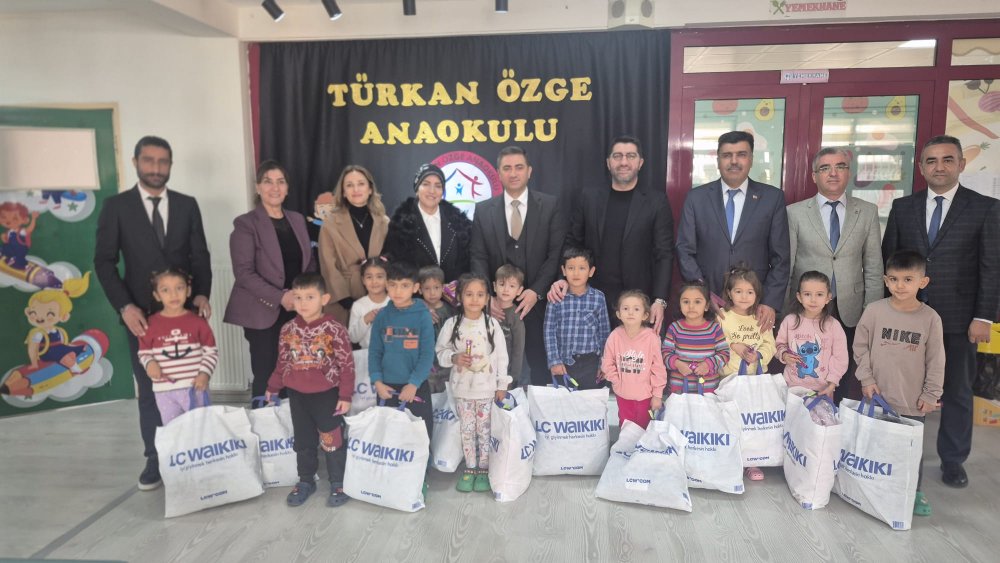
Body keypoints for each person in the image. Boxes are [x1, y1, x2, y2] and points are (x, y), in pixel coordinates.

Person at [94, 135, 211, 491]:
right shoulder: (117, 207)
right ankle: (156, 458)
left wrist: (202, 294)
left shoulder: (187, 205)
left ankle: (197, 453)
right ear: (136, 162)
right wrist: (124, 306)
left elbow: (200, 255)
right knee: (151, 389)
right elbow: (104, 261)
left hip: (186, 316)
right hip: (142, 318)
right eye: (149, 160)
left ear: (170, 165)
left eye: (163, 161)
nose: (156, 168)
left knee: (192, 388)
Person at [882, 135, 1000, 488]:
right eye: (931, 160)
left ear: (961, 164)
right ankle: (904, 454)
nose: (939, 166)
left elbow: (992, 266)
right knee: (906, 388)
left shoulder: (985, 208)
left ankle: (953, 460)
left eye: (948, 159)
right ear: (921, 167)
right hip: (908, 316)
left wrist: (984, 317)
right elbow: (890, 260)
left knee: (957, 391)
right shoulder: (903, 207)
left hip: (960, 318)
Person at [786, 147, 883, 402]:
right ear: (814, 175)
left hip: (849, 307)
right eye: (825, 168)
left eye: (840, 166)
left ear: (848, 173)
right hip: (807, 306)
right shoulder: (794, 212)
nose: (833, 173)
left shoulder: (867, 211)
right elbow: (788, 264)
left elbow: (874, 266)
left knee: (840, 372)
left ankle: (833, 419)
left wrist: (872, 312)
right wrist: (785, 311)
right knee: (804, 370)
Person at [549, 135, 674, 331]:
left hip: (637, 303)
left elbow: (664, 253)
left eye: (630, 156)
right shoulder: (588, 198)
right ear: (608, 163)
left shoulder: (656, 202)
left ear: (640, 163)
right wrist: (562, 277)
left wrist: (660, 300)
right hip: (591, 299)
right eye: (617, 156)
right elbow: (572, 243)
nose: (624, 162)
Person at [853, 250, 945, 516]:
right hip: (877, 395)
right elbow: (860, 347)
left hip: (912, 400)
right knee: (876, 444)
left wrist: (931, 394)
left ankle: (913, 491)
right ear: (885, 280)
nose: (900, 286)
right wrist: (866, 378)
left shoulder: (930, 318)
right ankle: (875, 486)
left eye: (908, 279)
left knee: (910, 450)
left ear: (922, 282)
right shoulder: (874, 311)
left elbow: (937, 359)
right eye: (893, 279)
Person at [676, 130, 790, 333]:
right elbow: (685, 250)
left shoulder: (772, 199)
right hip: (707, 305)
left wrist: (770, 301)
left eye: (741, 154)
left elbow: (781, 257)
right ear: (718, 160)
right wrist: (702, 294)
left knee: (750, 355)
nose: (734, 161)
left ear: (751, 159)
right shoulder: (696, 198)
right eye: (727, 155)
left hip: (755, 307)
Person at [470, 146, 566, 385]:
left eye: (519, 167)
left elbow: (555, 254)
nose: (513, 173)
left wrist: (536, 291)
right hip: (496, 308)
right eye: (507, 168)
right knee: (494, 368)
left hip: (538, 305)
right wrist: (487, 297)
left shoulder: (550, 205)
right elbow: (478, 257)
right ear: (499, 173)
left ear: (529, 171)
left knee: (540, 369)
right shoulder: (483, 210)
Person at [224, 160, 315, 407]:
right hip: (262, 310)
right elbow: (244, 273)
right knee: (267, 373)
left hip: (296, 309)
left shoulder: (297, 220)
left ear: (287, 188)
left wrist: (304, 296)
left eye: (280, 182)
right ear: (258, 187)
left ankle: (291, 424)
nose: (275, 188)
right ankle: (264, 424)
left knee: (295, 370)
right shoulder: (245, 223)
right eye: (268, 182)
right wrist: (280, 297)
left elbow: (308, 263)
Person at [264, 273, 355, 508]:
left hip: (327, 396)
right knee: (303, 441)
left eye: (310, 297)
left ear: (324, 299)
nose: (303, 303)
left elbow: (346, 365)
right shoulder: (287, 329)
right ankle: (306, 480)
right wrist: (273, 387)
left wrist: (345, 395)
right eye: (298, 297)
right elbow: (282, 362)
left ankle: (338, 482)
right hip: (297, 396)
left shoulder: (334, 329)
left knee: (332, 440)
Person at [435, 273, 511, 493]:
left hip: (486, 390)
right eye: (469, 294)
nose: (475, 299)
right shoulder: (452, 324)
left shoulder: (492, 325)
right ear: (459, 297)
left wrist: (502, 385)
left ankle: (484, 469)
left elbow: (501, 357)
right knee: (467, 431)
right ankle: (470, 468)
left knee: (485, 431)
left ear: (487, 298)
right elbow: (440, 352)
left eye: (480, 294)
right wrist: (454, 357)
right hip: (462, 390)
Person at [137, 268, 217, 425]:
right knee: (174, 431)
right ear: (157, 295)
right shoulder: (150, 324)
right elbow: (144, 352)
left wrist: (204, 374)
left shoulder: (198, 322)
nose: (173, 294)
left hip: (195, 388)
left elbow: (211, 352)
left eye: (179, 288)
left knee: (201, 429)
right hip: (164, 391)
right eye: (165, 290)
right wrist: (149, 363)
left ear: (188, 291)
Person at [368, 261, 436, 441]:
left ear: (415, 288)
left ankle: (423, 461)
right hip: (386, 388)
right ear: (386, 285)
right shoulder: (382, 316)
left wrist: (414, 383)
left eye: (404, 286)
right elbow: (374, 352)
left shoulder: (423, 315)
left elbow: (427, 354)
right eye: (393, 285)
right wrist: (377, 382)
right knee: (389, 437)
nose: (398, 291)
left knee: (419, 435)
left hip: (416, 386)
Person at [318, 165, 390, 325]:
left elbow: (389, 260)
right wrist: (345, 299)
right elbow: (328, 265)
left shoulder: (383, 222)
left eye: (361, 184)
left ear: (370, 189)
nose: (356, 189)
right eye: (349, 185)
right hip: (343, 299)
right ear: (343, 192)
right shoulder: (330, 223)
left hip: (377, 297)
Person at [383, 163, 471, 284]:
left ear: (442, 191)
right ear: (417, 189)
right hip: (416, 293)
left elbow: (467, 262)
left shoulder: (459, 223)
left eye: (438, 186)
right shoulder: (400, 225)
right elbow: (396, 265)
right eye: (426, 184)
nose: (432, 191)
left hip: (453, 293)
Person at [543, 247, 610, 390]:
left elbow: (604, 333)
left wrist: (603, 363)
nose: (576, 273)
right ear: (563, 270)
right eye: (571, 268)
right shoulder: (556, 297)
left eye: (582, 268)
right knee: (564, 401)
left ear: (591, 271)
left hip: (591, 363)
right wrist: (554, 361)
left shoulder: (598, 297)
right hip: (563, 363)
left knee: (590, 401)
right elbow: (549, 331)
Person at [774, 271, 848, 397]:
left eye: (819, 294)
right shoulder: (789, 321)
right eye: (807, 294)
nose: (813, 300)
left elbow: (840, 358)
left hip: (823, 390)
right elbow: (779, 345)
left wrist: (832, 383)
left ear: (828, 297)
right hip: (792, 387)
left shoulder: (833, 325)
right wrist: (784, 354)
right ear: (799, 297)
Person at [601, 290, 667, 429]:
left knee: (645, 428)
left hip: (646, 396)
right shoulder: (615, 336)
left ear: (645, 315)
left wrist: (657, 395)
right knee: (625, 427)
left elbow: (658, 369)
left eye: (636, 309)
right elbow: (607, 363)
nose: (630, 312)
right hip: (623, 394)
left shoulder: (651, 338)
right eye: (626, 308)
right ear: (619, 314)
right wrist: (617, 381)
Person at [661, 281, 730, 395]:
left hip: (708, 390)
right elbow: (665, 353)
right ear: (680, 305)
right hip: (679, 391)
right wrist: (677, 364)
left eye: (697, 301)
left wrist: (708, 365)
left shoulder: (714, 329)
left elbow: (724, 354)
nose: (691, 306)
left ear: (706, 306)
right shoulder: (675, 328)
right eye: (686, 301)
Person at [718, 266, 776, 378]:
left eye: (750, 292)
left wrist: (758, 355)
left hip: (756, 377)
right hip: (727, 377)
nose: (744, 297)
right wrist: (733, 345)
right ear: (729, 293)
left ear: (756, 294)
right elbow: (713, 340)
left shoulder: (761, 317)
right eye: (738, 291)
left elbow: (770, 345)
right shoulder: (721, 316)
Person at [418, 265, 456, 392]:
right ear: (420, 289)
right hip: (427, 366)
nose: (432, 293)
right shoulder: (417, 311)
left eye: (436, 287)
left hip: (447, 365)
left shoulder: (450, 311)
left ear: (443, 288)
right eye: (427, 288)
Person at [493, 264, 526, 388]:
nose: (506, 289)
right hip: (483, 371)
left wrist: (512, 378)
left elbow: (518, 349)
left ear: (519, 290)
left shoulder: (516, 317)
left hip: (504, 374)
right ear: (494, 286)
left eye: (512, 286)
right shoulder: (484, 309)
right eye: (502, 284)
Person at [347, 256, 389, 349]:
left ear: (387, 278)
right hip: (367, 354)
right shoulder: (358, 305)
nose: (374, 281)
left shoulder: (395, 302)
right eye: (369, 277)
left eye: (379, 277)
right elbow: (353, 338)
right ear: (363, 280)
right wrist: (366, 319)